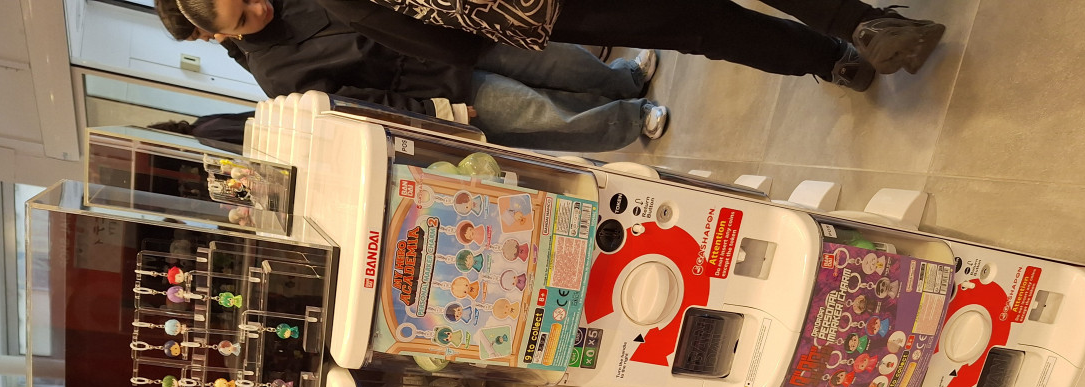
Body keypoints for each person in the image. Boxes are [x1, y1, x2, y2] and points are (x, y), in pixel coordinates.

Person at [169, 0, 669, 150]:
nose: (258, 7)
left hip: (446, 32)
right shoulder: (276, 76)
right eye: (244, 17)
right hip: (433, 88)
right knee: (539, 114)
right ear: (222, 36)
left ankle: (622, 78)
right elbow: (361, 105)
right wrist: (437, 114)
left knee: (552, 57)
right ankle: (631, 119)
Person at [299, 0, 946, 91]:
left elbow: (441, 44)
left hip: (550, 9)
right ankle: (860, 27)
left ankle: (834, 60)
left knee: (701, 27)